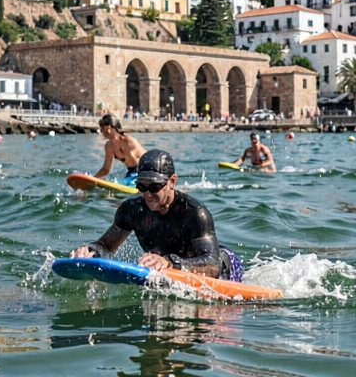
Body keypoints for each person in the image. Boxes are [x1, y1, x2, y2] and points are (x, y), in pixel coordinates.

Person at [71, 150, 243, 281]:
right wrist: (91, 251)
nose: (147, 194)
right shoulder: (132, 209)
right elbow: (106, 245)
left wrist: (171, 263)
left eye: (154, 187)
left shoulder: (195, 213)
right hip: (172, 266)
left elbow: (212, 265)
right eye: (141, 187)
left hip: (222, 266)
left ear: (172, 182)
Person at [92, 114, 145, 184]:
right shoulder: (109, 146)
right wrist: (92, 179)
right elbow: (105, 169)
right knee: (121, 182)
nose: (101, 132)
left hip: (143, 170)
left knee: (125, 183)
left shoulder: (128, 141)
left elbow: (145, 158)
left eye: (102, 129)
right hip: (132, 172)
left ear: (108, 128)